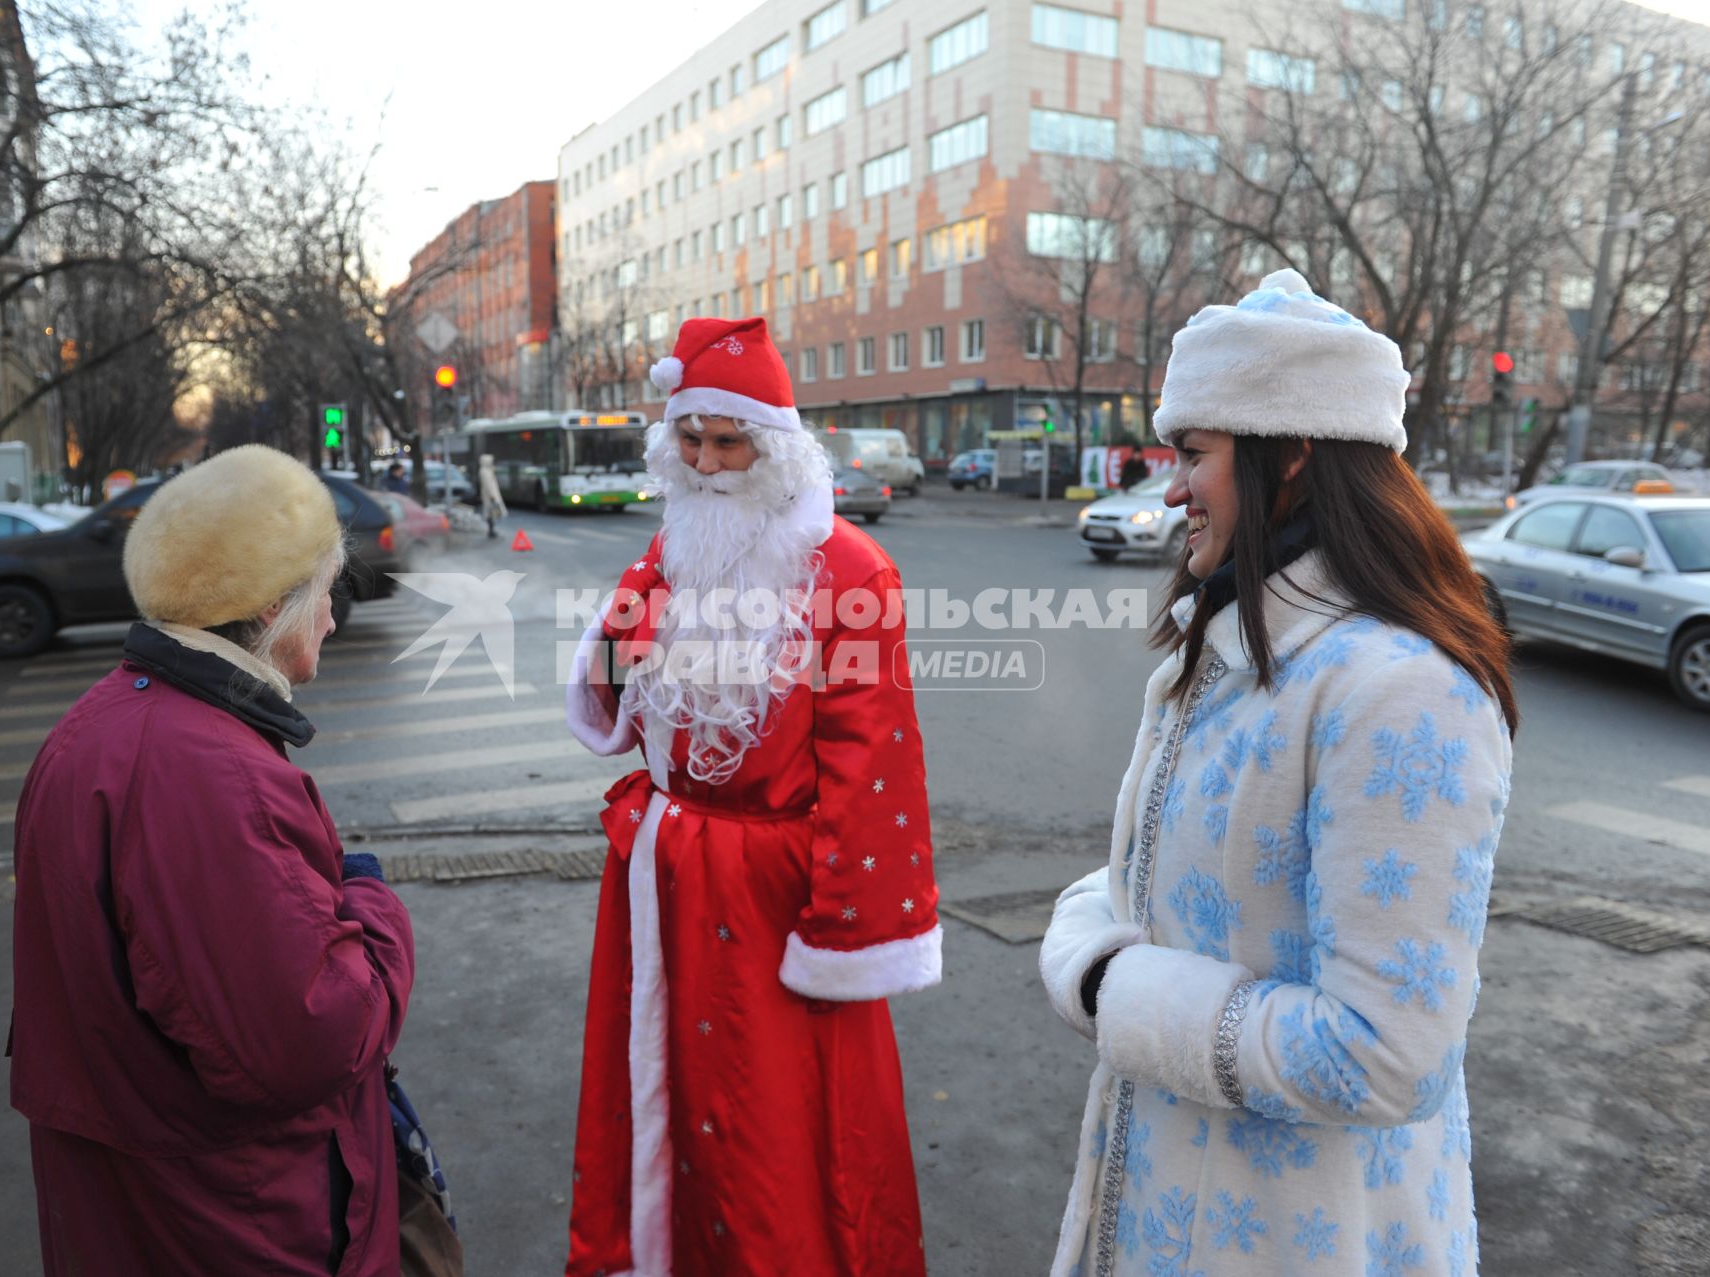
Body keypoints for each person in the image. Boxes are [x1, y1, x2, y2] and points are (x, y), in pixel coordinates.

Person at [1038, 270, 1517, 1277]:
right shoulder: (1229, 642)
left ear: (1290, 452)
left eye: (1192, 453)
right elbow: (1180, 883)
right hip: (1165, 1200)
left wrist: (1107, 981)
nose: (1168, 487)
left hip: (1307, 1236)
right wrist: (1096, 929)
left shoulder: (1398, 688)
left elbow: (1381, 1052)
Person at [564, 316, 943, 1276]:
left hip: (777, 898)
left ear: (772, 446)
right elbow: (610, 685)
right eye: (690, 440)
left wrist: (844, 931)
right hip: (669, 884)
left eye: (727, 441)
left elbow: (875, 766)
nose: (707, 462)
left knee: (777, 1125)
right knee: (663, 1092)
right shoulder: (671, 548)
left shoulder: (849, 568)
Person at [9, 444, 421, 1276]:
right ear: (272, 605)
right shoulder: (209, 775)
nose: (334, 619)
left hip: (146, 1204)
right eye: (324, 594)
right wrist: (373, 905)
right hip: (245, 1220)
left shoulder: (107, 718)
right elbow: (310, 1039)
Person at [476, 453, 506, 538]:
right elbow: (488, 485)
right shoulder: (484, 471)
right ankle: (491, 530)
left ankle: (491, 530)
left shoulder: (487, 470)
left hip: (490, 495)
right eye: (491, 461)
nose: (492, 462)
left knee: (491, 513)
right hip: (489, 496)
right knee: (490, 513)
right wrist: (492, 496)